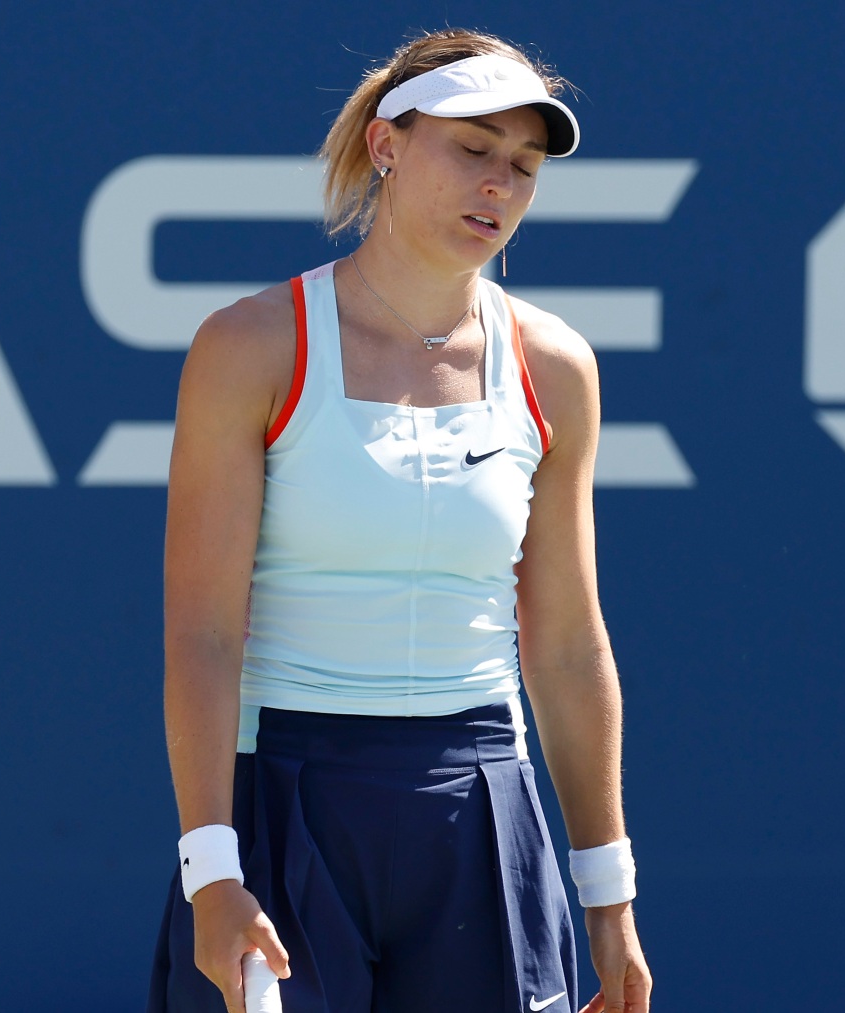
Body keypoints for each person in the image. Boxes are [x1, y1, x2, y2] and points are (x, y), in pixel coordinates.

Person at [145, 28, 653, 1013]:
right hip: (283, 799)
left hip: (480, 805)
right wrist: (214, 867)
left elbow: (565, 645)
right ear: (386, 146)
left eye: (523, 164)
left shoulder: (556, 367)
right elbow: (203, 631)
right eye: (473, 148)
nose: (498, 184)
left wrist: (609, 893)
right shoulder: (249, 345)